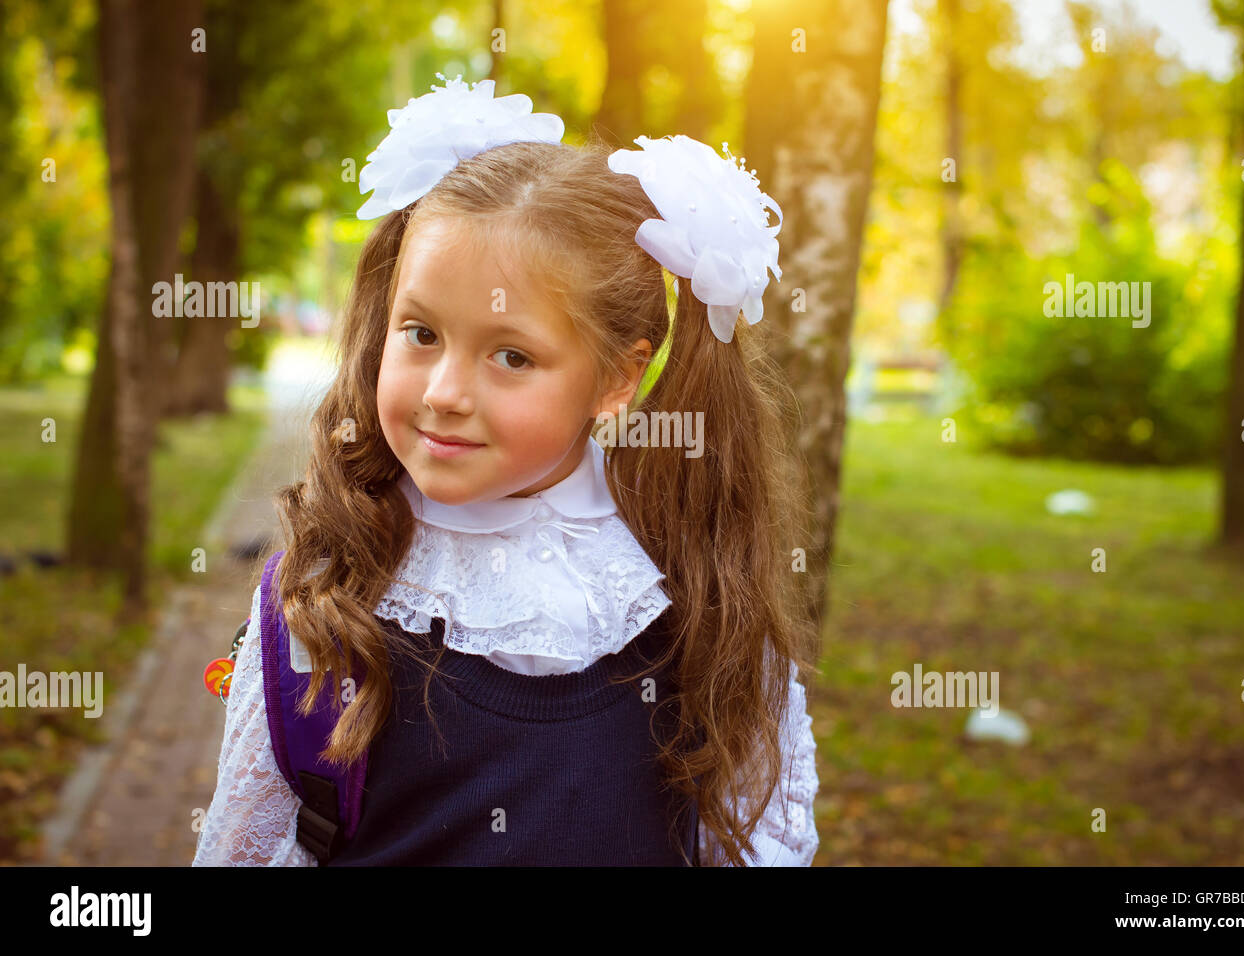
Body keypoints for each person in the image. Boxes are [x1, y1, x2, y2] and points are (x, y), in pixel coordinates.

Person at [193, 75, 819, 866]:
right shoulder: (318, 613)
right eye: (419, 333)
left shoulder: (701, 607)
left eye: (511, 355)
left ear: (619, 379)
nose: (445, 393)